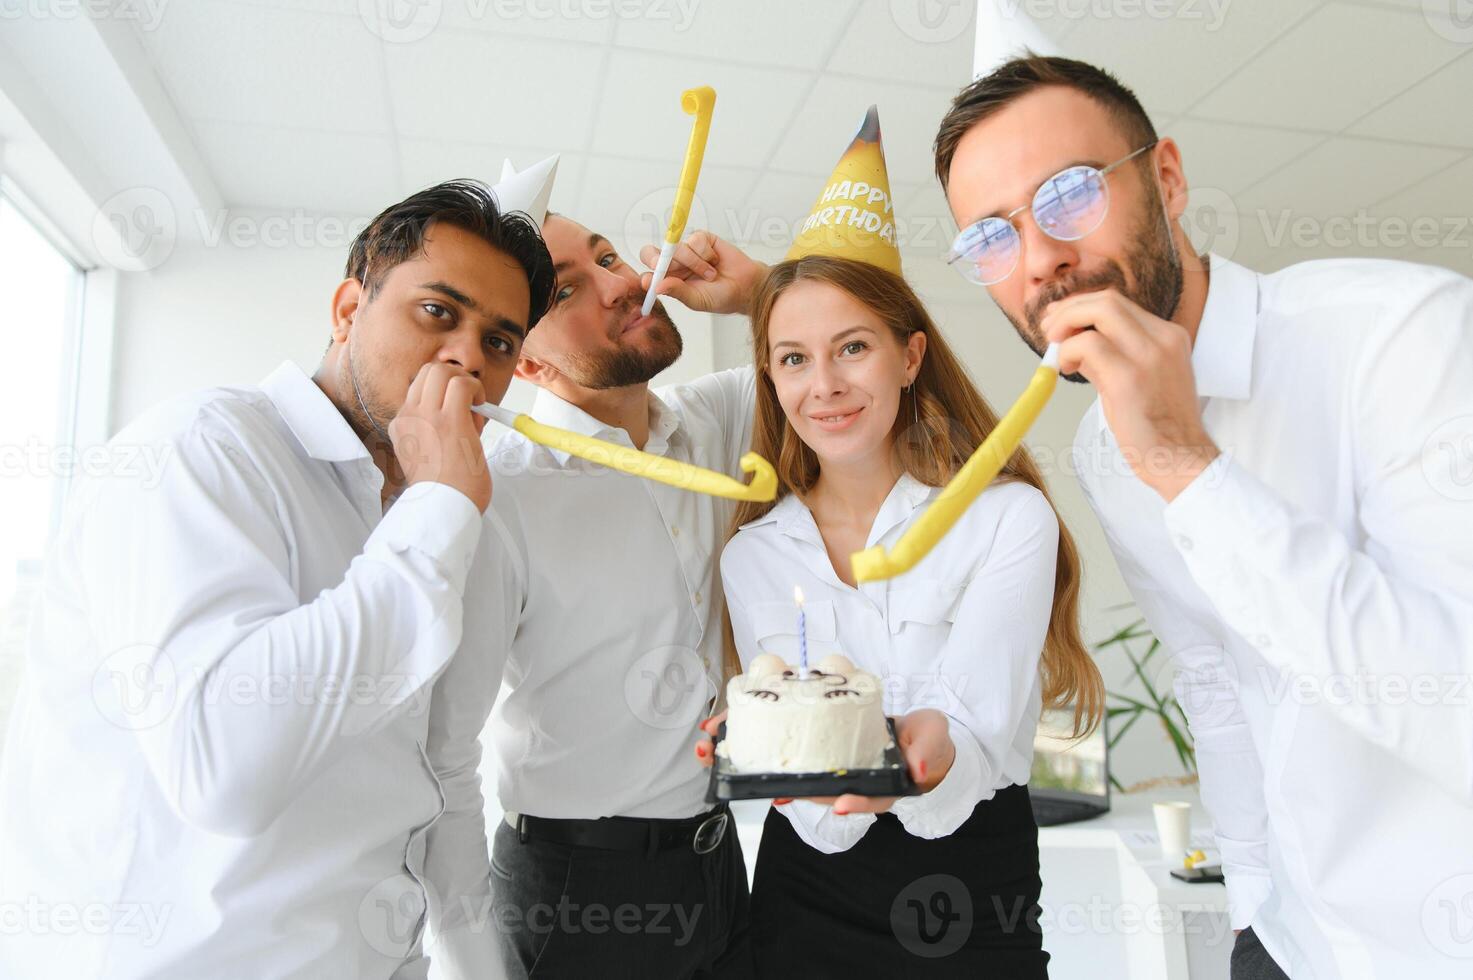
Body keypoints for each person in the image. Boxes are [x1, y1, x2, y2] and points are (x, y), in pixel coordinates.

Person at [933, 53, 1473, 979]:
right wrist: (1251, 911)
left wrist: (1186, 465)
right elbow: (1214, 684)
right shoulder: (1103, 448)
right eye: (990, 236)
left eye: (1068, 195)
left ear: (1167, 179)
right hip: (1290, 941)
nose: (1038, 261)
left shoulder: (1402, 335)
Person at [0, 179, 556, 978]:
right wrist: (437, 508)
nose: (467, 356)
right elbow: (225, 768)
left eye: (499, 342)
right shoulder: (201, 452)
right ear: (346, 308)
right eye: (438, 312)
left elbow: (434, 778)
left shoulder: (438, 519)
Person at [694, 108, 1104, 977]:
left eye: (852, 348)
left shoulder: (1003, 520)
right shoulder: (753, 553)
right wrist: (769, 741)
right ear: (767, 374)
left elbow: (977, 732)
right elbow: (809, 809)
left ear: (909, 356)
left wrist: (925, 751)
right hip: (806, 896)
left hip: (971, 891)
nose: (825, 386)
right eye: (793, 359)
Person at [439, 158, 769, 979]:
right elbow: (445, 755)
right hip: (578, 893)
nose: (618, 286)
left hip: (721, 860)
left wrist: (759, 291)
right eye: (563, 292)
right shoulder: (499, 490)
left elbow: (852, 351)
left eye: (609, 258)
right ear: (525, 361)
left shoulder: (718, 418)